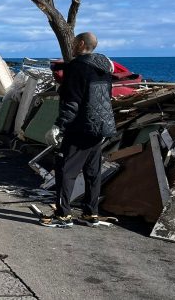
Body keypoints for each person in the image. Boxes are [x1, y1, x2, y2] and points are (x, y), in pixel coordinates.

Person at [39, 32, 117, 228]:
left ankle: (63, 215)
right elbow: (106, 97)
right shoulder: (104, 67)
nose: (72, 45)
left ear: (81, 44)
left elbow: (72, 101)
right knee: (92, 171)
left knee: (66, 170)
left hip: (80, 126)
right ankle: (91, 214)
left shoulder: (76, 67)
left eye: (74, 42)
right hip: (101, 125)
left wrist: (59, 126)